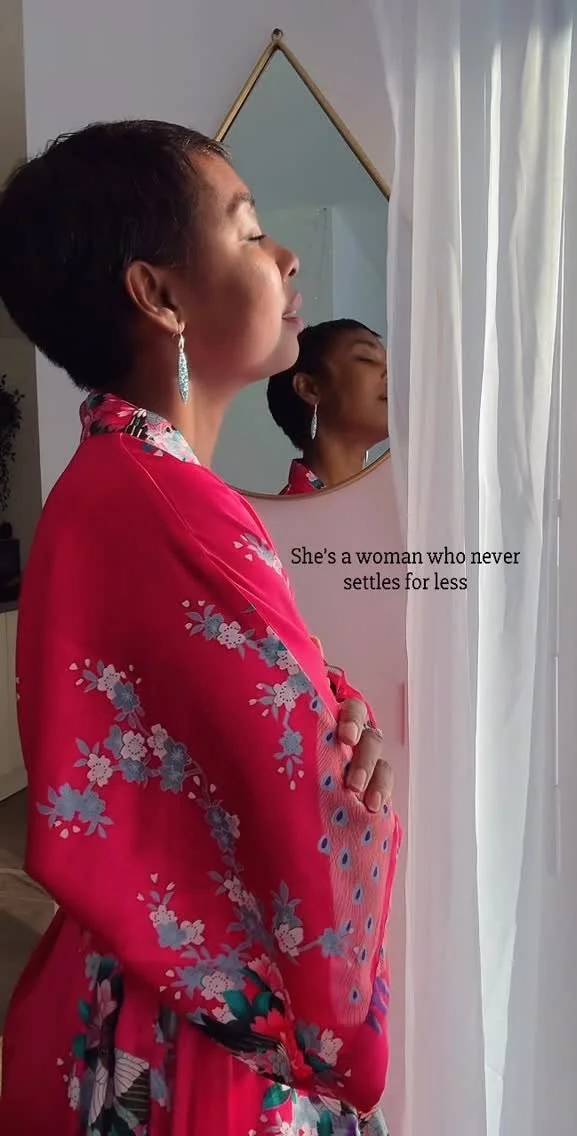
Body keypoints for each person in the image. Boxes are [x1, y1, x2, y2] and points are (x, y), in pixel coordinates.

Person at [0, 121, 399, 1136]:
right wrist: (348, 752)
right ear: (160, 294)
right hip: (192, 1039)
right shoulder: (171, 507)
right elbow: (303, 808)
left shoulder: (122, 484)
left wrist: (332, 712)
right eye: (249, 228)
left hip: (130, 994)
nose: (285, 255)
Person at [267, 320, 388, 494]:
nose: (390, 372)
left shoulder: (391, 500)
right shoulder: (293, 510)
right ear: (309, 388)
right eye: (367, 358)